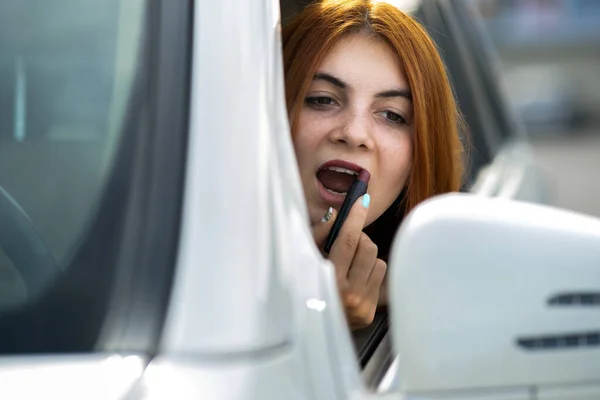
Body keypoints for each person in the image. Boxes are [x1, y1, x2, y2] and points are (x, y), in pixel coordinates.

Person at [282, 0, 466, 330]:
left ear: (421, 155)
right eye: (322, 99)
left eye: (392, 115)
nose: (354, 133)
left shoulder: (438, 301)